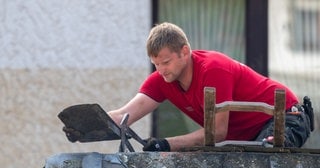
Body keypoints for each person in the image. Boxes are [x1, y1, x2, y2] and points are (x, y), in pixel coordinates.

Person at [66, 22, 313, 150]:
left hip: (284, 118)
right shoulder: (163, 79)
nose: (160, 70)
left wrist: (167, 144)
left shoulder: (214, 69)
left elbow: (217, 133)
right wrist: (86, 128)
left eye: (165, 62)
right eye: (155, 64)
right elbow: (123, 116)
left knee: (264, 163)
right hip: (245, 135)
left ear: (185, 52)